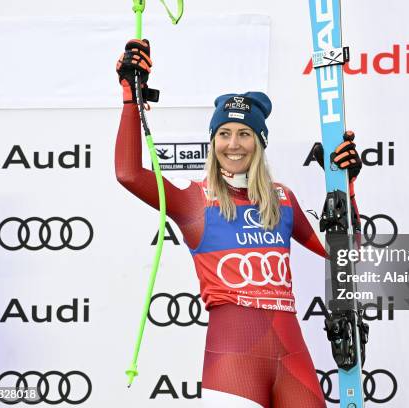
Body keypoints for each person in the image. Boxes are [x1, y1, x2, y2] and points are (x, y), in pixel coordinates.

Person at [115, 39, 362, 408]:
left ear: (260, 142)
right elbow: (129, 174)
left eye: (244, 133)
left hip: (291, 354)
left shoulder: (282, 199)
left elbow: (346, 257)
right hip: (234, 358)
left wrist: (348, 188)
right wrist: (131, 98)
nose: (234, 144)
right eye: (224, 134)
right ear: (213, 141)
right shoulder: (192, 198)